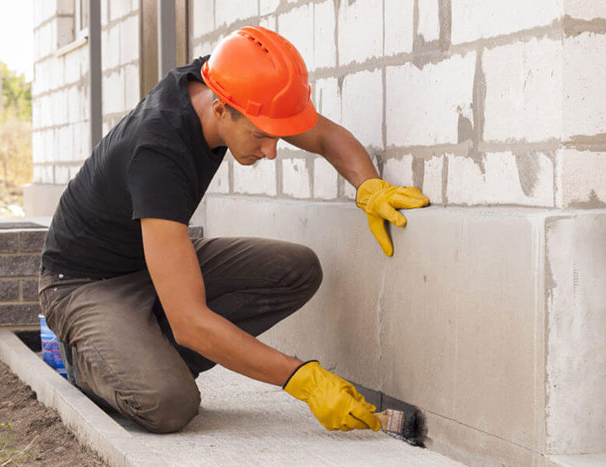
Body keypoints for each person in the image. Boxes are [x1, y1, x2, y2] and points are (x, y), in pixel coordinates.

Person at [39, 26, 428, 434]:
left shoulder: (232, 84)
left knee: (296, 269)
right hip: (84, 284)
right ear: (220, 108)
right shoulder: (158, 155)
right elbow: (189, 322)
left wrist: (369, 187)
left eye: (276, 135)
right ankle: (89, 361)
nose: (272, 151)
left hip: (148, 263)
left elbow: (325, 136)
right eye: (261, 136)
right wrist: (303, 379)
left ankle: (149, 353)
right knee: (168, 404)